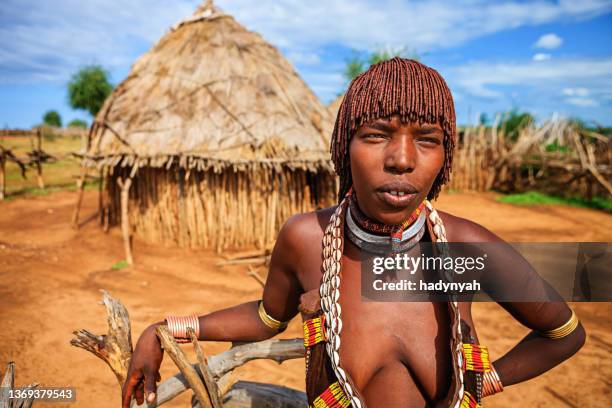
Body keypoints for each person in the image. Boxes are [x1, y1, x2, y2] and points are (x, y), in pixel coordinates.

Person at [122, 58, 586, 408]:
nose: (402, 159)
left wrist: (480, 383)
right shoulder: (308, 238)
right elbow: (267, 317)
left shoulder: (465, 250)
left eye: (427, 140)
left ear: (446, 156)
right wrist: (167, 329)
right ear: (345, 147)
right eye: (376, 134)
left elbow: (563, 333)